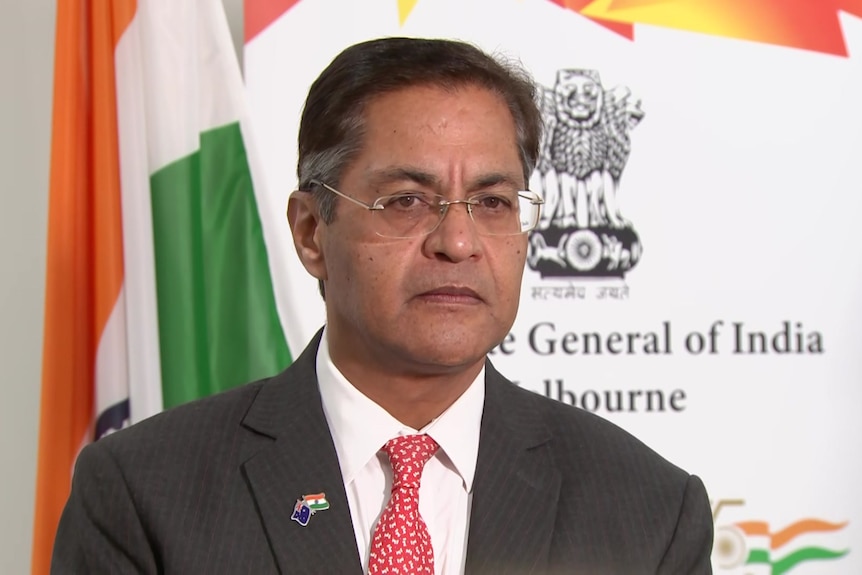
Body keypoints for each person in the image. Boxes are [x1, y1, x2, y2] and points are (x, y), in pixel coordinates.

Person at [52, 37, 714, 574]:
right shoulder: (146, 491)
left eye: (492, 203)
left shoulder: (648, 510)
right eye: (406, 200)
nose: (457, 242)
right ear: (312, 231)